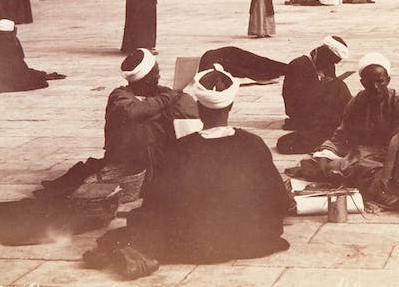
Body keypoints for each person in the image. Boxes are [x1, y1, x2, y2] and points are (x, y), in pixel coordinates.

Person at [84, 65, 290, 277]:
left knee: (136, 228)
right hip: (252, 236)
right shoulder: (253, 143)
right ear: (231, 106)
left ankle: (124, 252)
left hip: (199, 239)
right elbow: (279, 200)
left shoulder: (181, 148)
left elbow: (158, 203)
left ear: (199, 107)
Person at [40, 49, 199, 196]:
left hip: (153, 158)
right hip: (127, 161)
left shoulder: (161, 93)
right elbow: (138, 112)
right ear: (148, 78)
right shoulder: (119, 97)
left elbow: (185, 106)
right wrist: (166, 102)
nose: (159, 76)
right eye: (156, 73)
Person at [288, 52, 399, 209]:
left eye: (380, 82)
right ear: (362, 83)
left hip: (390, 157)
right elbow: (341, 135)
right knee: (317, 165)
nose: (375, 87)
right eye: (369, 83)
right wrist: (325, 153)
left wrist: (388, 172)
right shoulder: (358, 102)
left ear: (388, 80)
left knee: (370, 174)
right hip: (359, 154)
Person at [278, 35, 353, 154]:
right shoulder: (298, 65)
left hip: (319, 106)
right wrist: (321, 88)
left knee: (338, 87)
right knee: (339, 86)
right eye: (331, 60)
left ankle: (353, 114)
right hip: (302, 111)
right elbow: (294, 100)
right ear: (323, 53)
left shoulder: (326, 64)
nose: (331, 64)